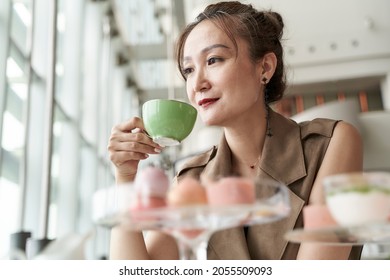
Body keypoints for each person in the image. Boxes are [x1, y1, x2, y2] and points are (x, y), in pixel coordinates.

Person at [107, 1, 363, 260]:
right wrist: (125, 177)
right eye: (188, 70)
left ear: (264, 68)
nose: (197, 83)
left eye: (213, 60)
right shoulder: (191, 180)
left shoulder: (330, 144)